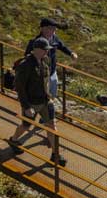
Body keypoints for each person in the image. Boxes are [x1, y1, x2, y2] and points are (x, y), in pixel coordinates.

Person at [8, 37, 66, 166]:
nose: (46, 52)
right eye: (44, 50)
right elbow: (20, 88)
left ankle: (55, 154)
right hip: (31, 103)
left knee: (51, 126)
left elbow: (46, 80)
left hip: (45, 100)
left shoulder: (45, 60)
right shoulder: (25, 65)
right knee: (26, 126)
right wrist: (26, 106)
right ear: (36, 50)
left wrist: (49, 96)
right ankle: (13, 140)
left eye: (47, 50)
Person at [25, 17, 76, 101]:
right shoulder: (35, 42)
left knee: (52, 93)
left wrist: (71, 53)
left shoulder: (54, 39)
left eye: (54, 29)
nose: (53, 31)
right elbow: (27, 57)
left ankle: (48, 107)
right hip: (40, 74)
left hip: (52, 72)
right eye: (50, 28)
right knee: (41, 95)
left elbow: (62, 46)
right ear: (42, 29)